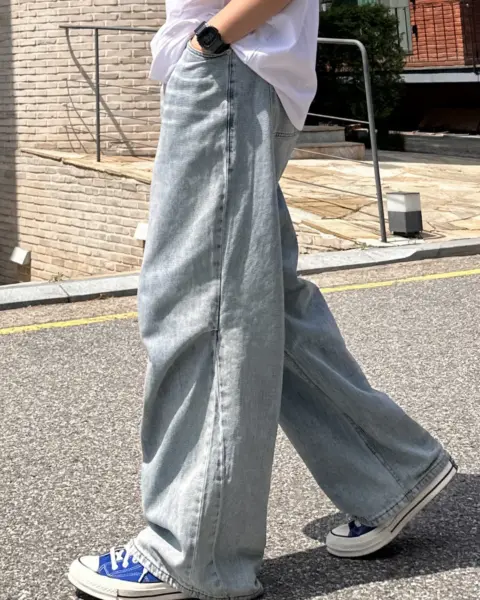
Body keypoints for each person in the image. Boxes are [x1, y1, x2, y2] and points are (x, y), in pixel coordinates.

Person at [68, 1, 456, 599]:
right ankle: (392, 471)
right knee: (261, 298)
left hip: (228, 67)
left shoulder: (222, 54)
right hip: (233, 68)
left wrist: (211, 39)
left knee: (202, 302)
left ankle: (193, 554)